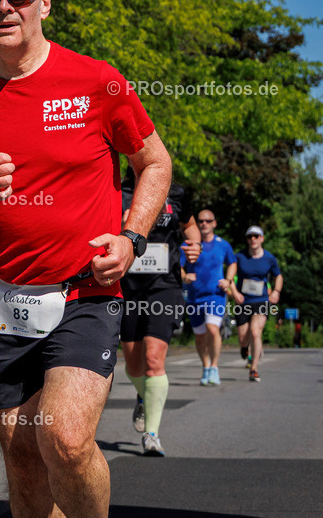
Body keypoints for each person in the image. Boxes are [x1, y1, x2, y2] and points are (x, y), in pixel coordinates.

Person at [0, 0, 172, 516]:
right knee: (23, 454)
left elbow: (154, 163)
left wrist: (131, 237)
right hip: (4, 298)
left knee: (64, 439)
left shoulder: (96, 81)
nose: (5, 7)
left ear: (44, 3)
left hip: (84, 290)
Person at [120, 178, 200, 456]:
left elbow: (190, 227)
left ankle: (151, 435)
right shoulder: (117, 191)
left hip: (164, 285)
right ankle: (144, 394)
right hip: (127, 286)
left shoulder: (175, 192)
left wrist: (194, 247)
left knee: (154, 358)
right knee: (133, 364)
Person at [182, 210, 236, 385]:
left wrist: (228, 280)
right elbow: (178, 265)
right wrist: (184, 277)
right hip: (194, 296)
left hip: (216, 295)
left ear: (214, 223)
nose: (204, 224)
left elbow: (232, 263)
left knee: (213, 329)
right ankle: (205, 367)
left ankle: (214, 367)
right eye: (201, 221)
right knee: (199, 336)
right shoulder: (189, 244)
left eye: (208, 221)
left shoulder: (223, 245)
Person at [232, 226, 282, 383]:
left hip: (260, 300)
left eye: (256, 236)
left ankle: (254, 369)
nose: (253, 239)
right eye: (250, 237)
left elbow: (278, 276)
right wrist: (234, 292)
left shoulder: (269, 258)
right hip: (243, 300)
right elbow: (229, 276)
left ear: (262, 238)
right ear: (247, 239)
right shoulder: (239, 257)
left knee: (255, 332)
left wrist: (276, 291)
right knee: (243, 337)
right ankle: (244, 347)